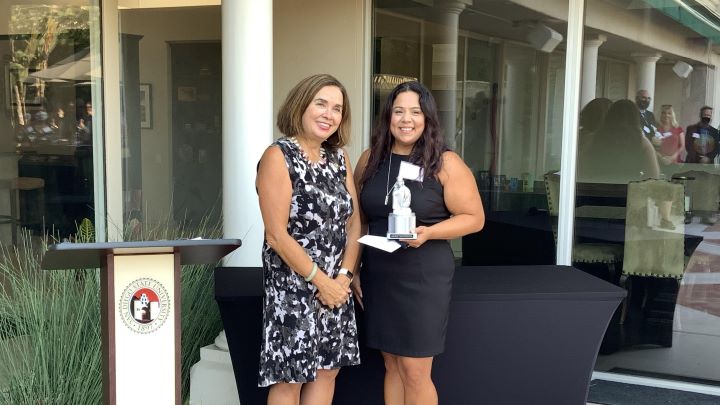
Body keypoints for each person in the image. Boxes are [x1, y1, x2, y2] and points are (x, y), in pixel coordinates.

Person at [354, 81, 485, 405]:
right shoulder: (370, 159)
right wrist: (353, 268)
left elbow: (474, 218)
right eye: (399, 111)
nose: (406, 119)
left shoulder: (444, 162)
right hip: (380, 274)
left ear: (427, 117)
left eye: (415, 111)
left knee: (414, 368)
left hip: (422, 276)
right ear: (388, 117)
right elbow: (357, 218)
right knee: (391, 364)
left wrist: (428, 233)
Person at [255, 73, 361, 405]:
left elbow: (355, 222)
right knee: (292, 377)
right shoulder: (278, 156)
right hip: (293, 287)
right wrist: (321, 282)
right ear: (301, 105)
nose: (329, 114)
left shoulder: (339, 158)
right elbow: (275, 235)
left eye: (337, 108)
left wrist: (343, 277)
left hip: (336, 287)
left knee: (327, 370)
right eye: (321, 104)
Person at [577, 99, 660, 184]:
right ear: (635, 117)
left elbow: (582, 167)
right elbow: (653, 175)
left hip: (598, 190)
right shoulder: (642, 142)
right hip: (628, 192)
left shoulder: (594, 138)